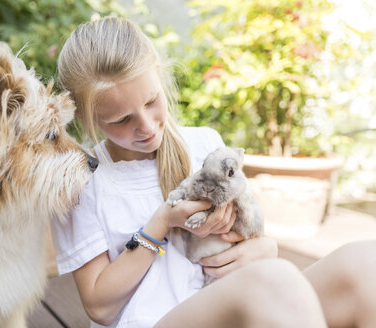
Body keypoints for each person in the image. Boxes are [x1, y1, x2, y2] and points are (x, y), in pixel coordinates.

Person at [51, 16, 376, 328]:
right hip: (154, 320)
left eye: (151, 101)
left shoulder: (205, 144)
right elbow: (99, 307)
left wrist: (265, 249)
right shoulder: (80, 180)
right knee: (275, 282)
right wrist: (162, 221)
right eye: (122, 120)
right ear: (82, 116)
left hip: (231, 305)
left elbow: (248, 239)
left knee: (365, 264)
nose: (147, 127)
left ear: (161, 78)